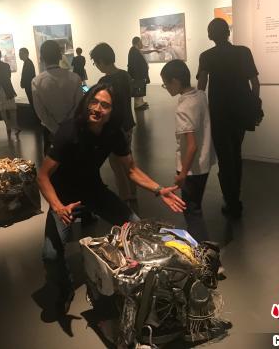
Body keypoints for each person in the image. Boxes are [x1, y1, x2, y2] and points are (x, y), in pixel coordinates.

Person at [37, 83, 186, 314]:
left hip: (93, 190)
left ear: (113, 111)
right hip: (64, 198)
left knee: (135, 227)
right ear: (86, 103)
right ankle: (64, 288)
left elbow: (131, 169)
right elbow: (43, 176)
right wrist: (57, 207)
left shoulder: (113, 133)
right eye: (94, 102)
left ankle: (141, 282)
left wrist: (158, 189)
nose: (97, 108)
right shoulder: (69, 131)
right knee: (50, 254)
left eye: (105, 105)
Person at [197, 18, 261, 217]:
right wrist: (254, 106)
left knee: (225, 158)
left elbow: (201, 87)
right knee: (236, 153)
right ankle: (235, 197)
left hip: (219, 113)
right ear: (228, 32)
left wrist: (199, 112)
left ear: (210, 35)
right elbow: (255, 84)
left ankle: (231, 201)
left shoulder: (206, 56)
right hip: (241, 111)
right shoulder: (243, 52)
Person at [161, 60, 215, 242]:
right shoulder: (200, 95)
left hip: (191, 169)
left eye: (166, 84)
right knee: (195, 208)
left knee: (192, 212)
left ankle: (204, 251)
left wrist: (182, 174)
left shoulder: (184, 108)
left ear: (175, 81)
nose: (166, 88)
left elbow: (191, 145)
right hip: (204, 163)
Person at [91, 43, 137, 205]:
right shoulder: (125, 75)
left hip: (113, 128)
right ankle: (133, 192)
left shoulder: (104, 81)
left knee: (116, 164)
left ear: (101, 61)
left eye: (95, 63)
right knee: (128, 160)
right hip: (128, 123)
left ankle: (124, 197)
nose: (96, 66)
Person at [32, 40, 83, 153]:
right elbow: (79, 105)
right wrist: (66, 126)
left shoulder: (37, 81)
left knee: (51, 162)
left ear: (42, 58)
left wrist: (56, 129)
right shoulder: (75, 78)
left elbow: (40, 112)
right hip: (71, 129)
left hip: (49, 131)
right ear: (60, 56)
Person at [0, 49, 20, 137]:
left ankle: (8, 126)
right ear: (0, 55)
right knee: (12, 109)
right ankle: (15, 126)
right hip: (7, 88)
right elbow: (8, 76)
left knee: (2, 110)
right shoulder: (6, 65)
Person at [127, 36, 150, 110]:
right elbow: (134, 65)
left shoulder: (136, 50)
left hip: (140, 75)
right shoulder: (133, 51)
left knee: (140, 89)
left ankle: (141, 103)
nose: (142, 44)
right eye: (140, 42)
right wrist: (135, 77)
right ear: (137, 43)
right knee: (138, 89)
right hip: (137, 75)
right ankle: (138, 105)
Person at [18, 47, 36, 112]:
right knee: (32, 103)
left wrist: (23, 83)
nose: (19, 55)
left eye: (21, 53)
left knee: (33, 104)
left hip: (29, 87)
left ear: (26, 54)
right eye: (19, 54)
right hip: (29, 86)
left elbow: (29, 76)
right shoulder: (27, 62)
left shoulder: (28, 63)